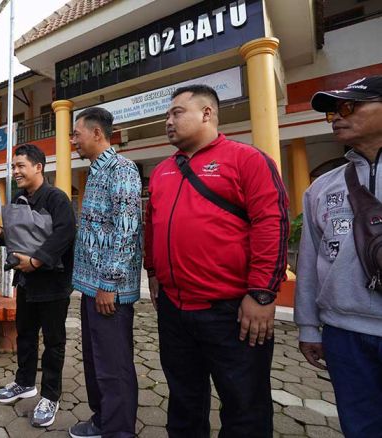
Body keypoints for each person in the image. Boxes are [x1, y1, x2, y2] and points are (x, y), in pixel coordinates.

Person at [144, 85, 289, 438]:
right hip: (175, 311)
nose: (168, 121)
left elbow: (272, 223)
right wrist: (153, 272)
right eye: (167, 115)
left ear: (207, 113)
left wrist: (262, 294)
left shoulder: (247, 159)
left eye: (177, 113)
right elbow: (152, 225)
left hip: (232, 313)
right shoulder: (163, 171)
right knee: (184, 401)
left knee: (244, 408)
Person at [295, 76, 382, 437]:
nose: (336, 116)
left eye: (349, 106)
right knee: (360, 427)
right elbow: (310, 261)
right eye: (332, 110)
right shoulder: (321, 188)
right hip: (344, 334)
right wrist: (308, 325)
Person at [69, 107, 142, 438]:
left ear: (97, 134)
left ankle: (118, 431)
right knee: (96, 361)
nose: (73, 141)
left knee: (114, 367)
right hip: (91, 288)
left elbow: (126, 230)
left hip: (107, 291)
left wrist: (108, 284)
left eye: (76, 134)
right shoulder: (97, 172)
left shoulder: (122, 170)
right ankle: (102, 421)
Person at [0, 144, 76, 428]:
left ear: (38, 167)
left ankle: (51, 395)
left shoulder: (56, 199)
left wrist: (37, 261)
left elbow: (65, 233)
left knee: (54, 342)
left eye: (20, 166)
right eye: (14, 167)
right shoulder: (18, 198)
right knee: (26, 334)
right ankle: (24, 382)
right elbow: (17, 235)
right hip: (26, 282)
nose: (15, 171)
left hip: (53, 283)